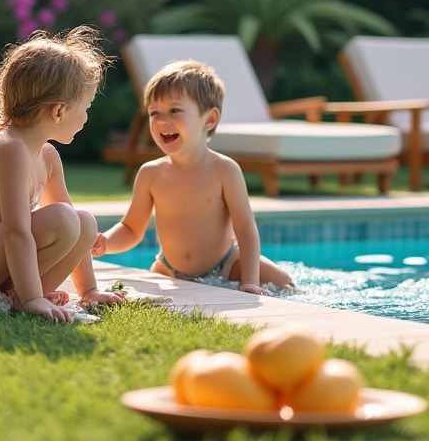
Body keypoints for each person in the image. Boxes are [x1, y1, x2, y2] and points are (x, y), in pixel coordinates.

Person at [0, 25, 126, 322]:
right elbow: (16, 231)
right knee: (63, 218)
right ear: (57, 111)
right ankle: (26, 296)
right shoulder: (11, 148)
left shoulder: (47, 156)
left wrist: (90, 291)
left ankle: (15, 294)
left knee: (83, 222)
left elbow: (74, 232)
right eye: (85, 108)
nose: (86, 118)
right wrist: (34, 298)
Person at [92, 59, 294, 294]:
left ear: (209, 119)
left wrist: (249, 281)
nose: (161, 120)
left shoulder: (224, 170)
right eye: (154, 112)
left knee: (286, 285)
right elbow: (131, 228)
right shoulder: (150, 174)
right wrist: (105, 242)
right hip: (169, 268)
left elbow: (246, 229)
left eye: (175, 110)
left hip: (227, 265)